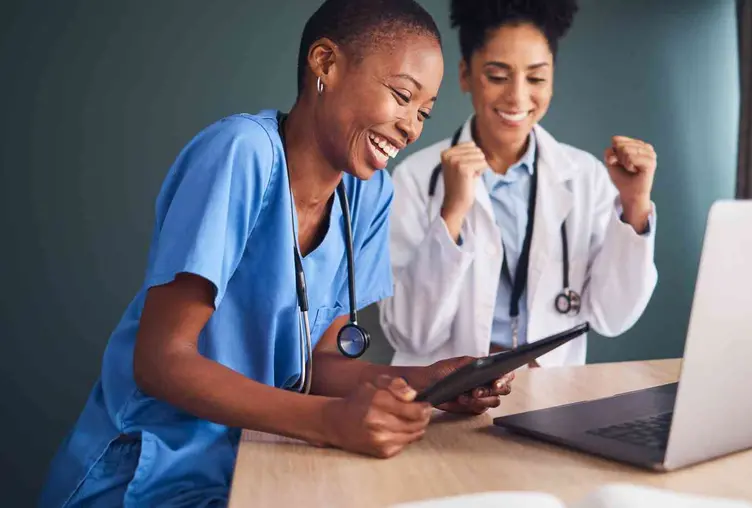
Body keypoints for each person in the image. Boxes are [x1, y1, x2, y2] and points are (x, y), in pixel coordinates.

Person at [39, 1, 513, 506]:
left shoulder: (369, 196)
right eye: (401, 96)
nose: (411, 128)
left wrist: (426, 381)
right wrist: (328, 422)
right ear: (325, 63)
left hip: (252, 466)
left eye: (423, 113)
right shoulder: (241, 152)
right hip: (144, 478)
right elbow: (160, 361)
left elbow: (317, 366)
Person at [379, 0, 659, 368]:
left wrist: (635, 205)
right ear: (465, 75)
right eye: (497, 76)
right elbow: (410, 334)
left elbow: (612, 317)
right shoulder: (415, 179)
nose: (517, 96)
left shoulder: (585, 176)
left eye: (537, 77)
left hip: (552, 396)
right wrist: (452, 214)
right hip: (447, 399)